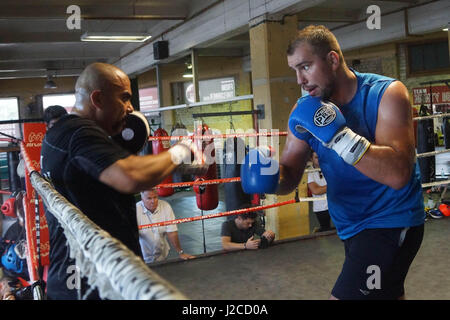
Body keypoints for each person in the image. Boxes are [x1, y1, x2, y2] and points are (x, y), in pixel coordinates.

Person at [241, 25, 424, 300]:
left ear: (332, 60)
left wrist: (338, 136)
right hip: (351, 226)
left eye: (305, 66)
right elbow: (289, 175)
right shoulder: (305, 109)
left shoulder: (386, 94)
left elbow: (398, 173)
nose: (300, 79)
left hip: (390, 222)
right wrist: (267, 176)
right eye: (294, 70)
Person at [40, 62, 207, 300]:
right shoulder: (79, 133)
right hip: (88, 283)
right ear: (98, 99)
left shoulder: (60, 133)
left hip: (82, 273)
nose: (130, 108)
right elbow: (131, 176)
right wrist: (182, 149)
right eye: (124, 98)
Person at [136, 189, 195, 263]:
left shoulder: (165, 206)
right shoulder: (136, 210)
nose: (153, 201)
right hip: (141, 257)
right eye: (149, 198)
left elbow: (172, 232)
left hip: (162, 255)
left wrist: (181, 252)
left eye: (155, 197)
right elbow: (131, 236)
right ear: (142, 199)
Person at [307, 151, 333, 233]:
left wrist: (323, 188)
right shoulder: (309, 172)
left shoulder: (329, 167)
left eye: (320, 157)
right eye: (316, 157)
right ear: (311, 159)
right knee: (326, 231)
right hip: (321, 207)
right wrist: (333, 186)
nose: (319, 159)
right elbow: (316, 191)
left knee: (341, 229)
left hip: (334, 204)